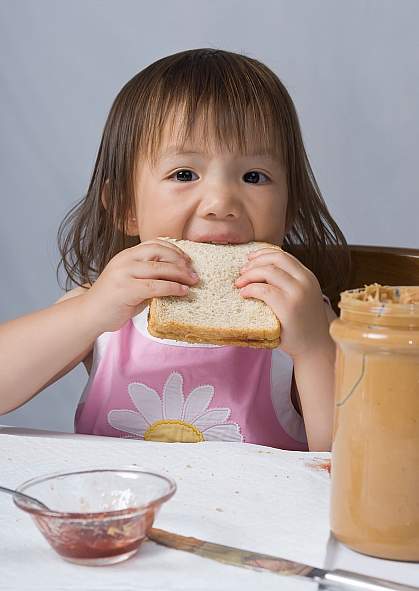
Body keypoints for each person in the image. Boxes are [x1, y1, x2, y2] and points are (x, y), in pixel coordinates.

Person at [0, 48, 350, 451]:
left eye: (254, 176)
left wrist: (312, 349)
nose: (221, 202)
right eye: (184, 173)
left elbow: (348, 461)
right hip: (124, 513)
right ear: (125, 209)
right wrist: (90, 312)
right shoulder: (104, 309)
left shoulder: (301, 316)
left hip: (249, 514)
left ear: (289, 210)